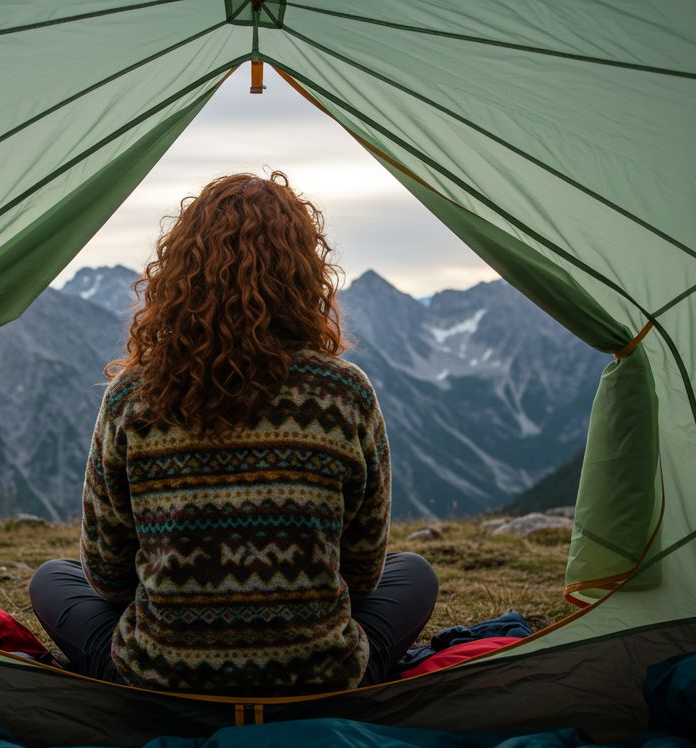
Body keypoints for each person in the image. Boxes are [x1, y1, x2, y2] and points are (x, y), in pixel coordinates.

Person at [29, 171, 437, 695]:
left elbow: (107, 576)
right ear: (305, 273)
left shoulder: (132, 396)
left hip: (161, 682)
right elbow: (363, 574)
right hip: (318, 678)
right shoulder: (345, 392)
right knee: (414, 573)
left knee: (52, 579)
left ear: (178, 273)